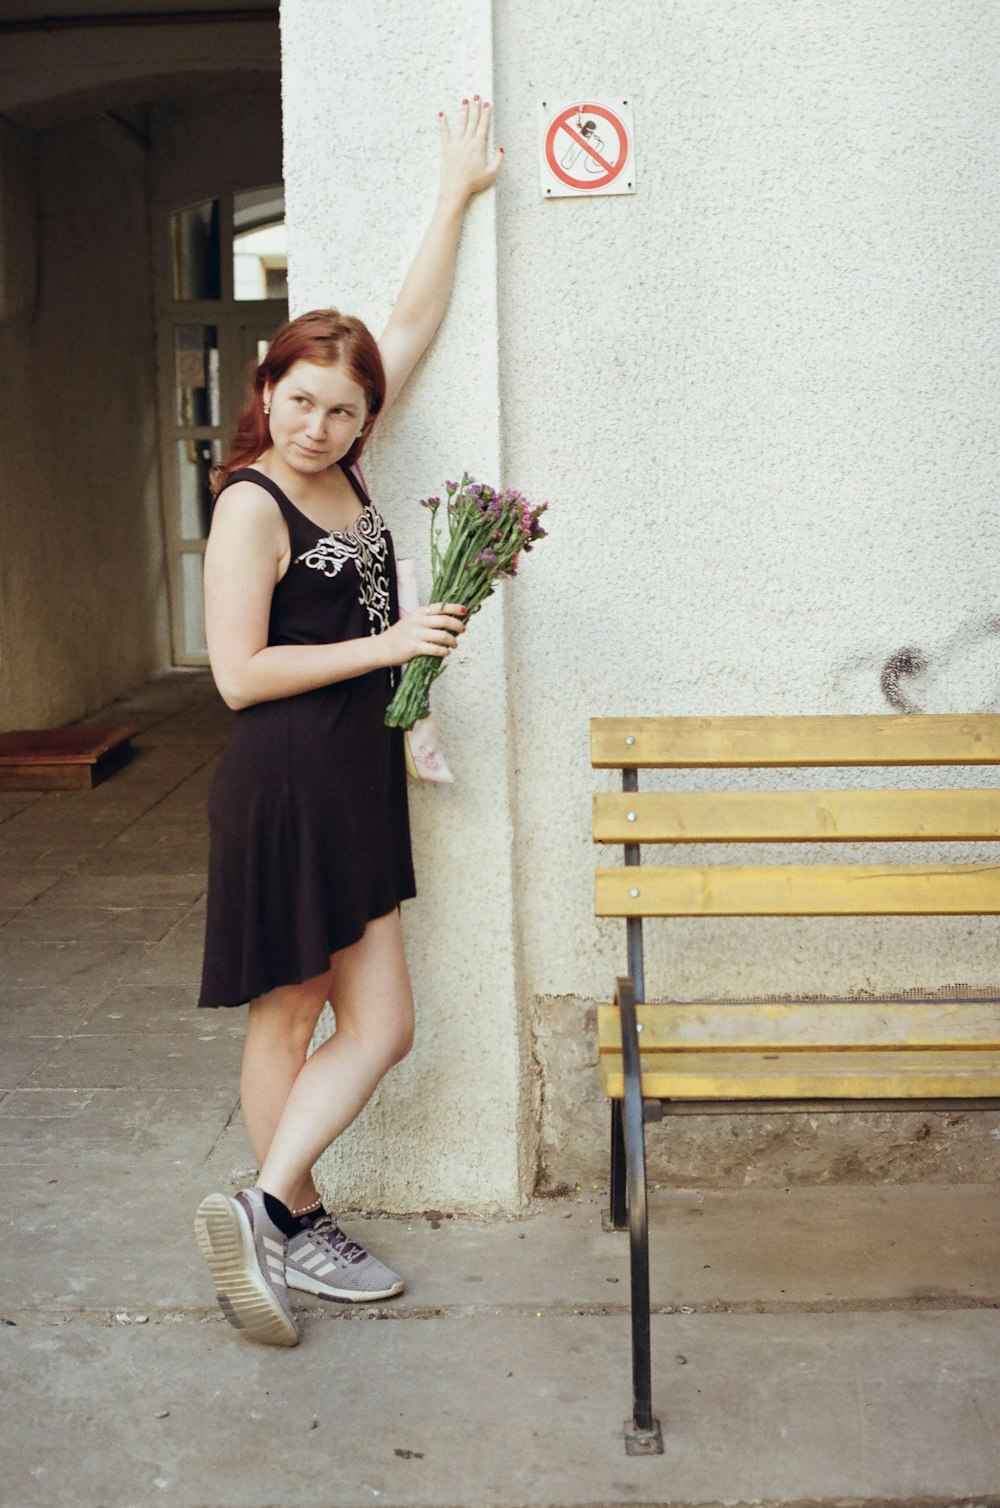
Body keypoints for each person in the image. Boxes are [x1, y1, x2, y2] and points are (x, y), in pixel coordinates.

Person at [193, 98, 503, 1347]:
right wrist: (392, 642)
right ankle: (296, 1218)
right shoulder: (254, 506)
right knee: (291, 1012)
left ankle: (266, 1205)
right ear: (265, 393)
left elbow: (408, 326)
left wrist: (452, 195)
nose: (319, 425)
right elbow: (234, 673)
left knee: (381, 1023)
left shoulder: (354, 470)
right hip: (286, 776)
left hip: (353, 776)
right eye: (301, 401)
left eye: (343, 408)